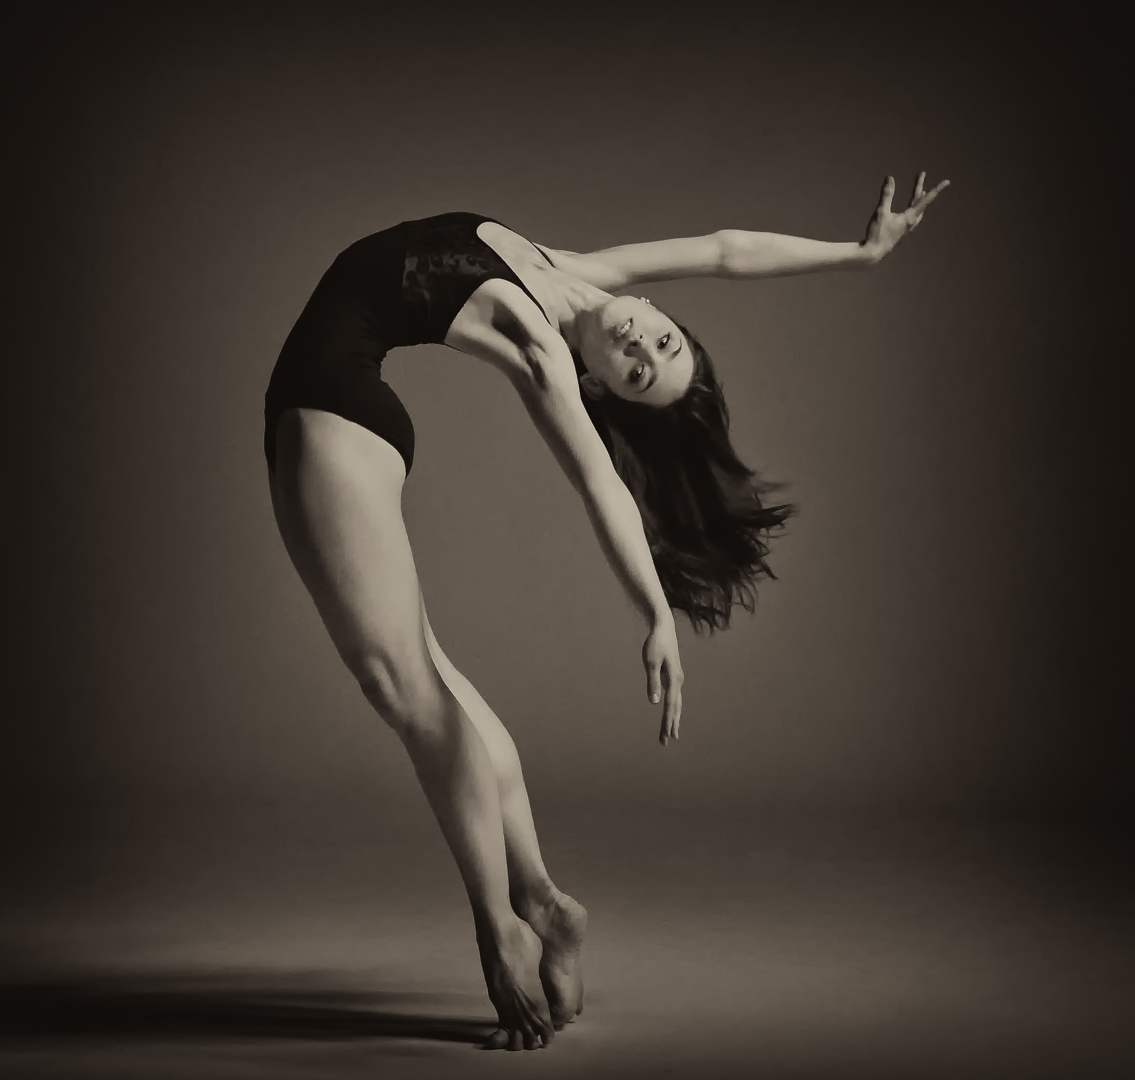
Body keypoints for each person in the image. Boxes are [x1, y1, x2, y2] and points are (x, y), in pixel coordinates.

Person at [263, 173, 949, 1050]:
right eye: (661, 343)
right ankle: (543, 902)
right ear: (657, 311)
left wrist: (654, 610)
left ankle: (499, 930)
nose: (639, 345)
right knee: (429, 681)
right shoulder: (570, 270)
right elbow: (723, 249)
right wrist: (857, 254)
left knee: (404, 690)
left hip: (332, 416)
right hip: (341, 408)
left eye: (637, 373)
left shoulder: (544, 348)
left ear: (600, 384)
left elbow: (601, 485)